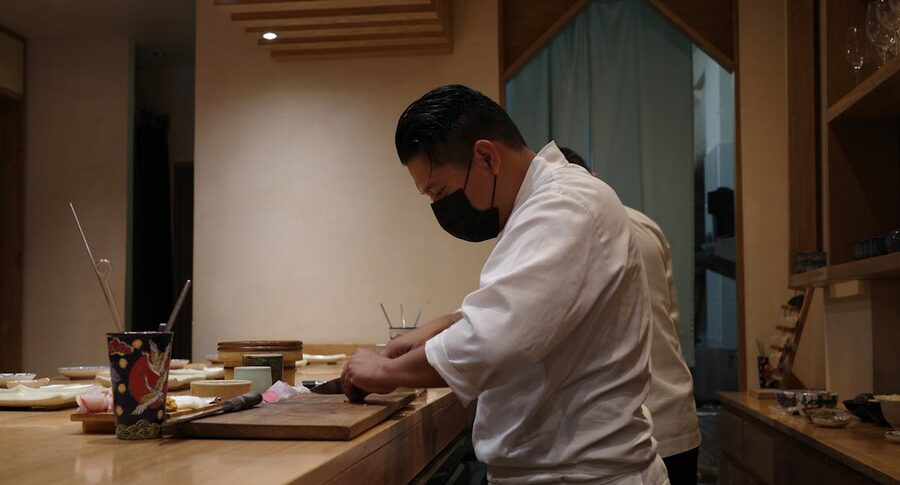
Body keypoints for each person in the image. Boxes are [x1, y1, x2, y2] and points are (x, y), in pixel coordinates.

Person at [341, 84, 668, 484]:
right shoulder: (547, 202)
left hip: (580, 474)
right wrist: (441, 327)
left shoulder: (564, 205)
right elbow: (534, 308)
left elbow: (496, 339)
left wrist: (385, 372)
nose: (441, 209)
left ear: (485, 156)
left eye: (440, 192)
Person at [559, 147, 700, 485]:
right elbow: (670, 320)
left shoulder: (566, 231)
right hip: (677, 414)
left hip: (628, 431)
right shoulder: (645, 224)